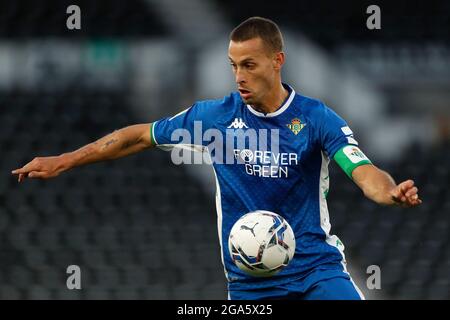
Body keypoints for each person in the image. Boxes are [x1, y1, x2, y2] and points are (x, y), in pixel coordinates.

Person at [12, 17, 421, 300]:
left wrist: (389, 192)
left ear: (277, 62)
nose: (239, 76)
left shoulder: (315, 118)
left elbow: (361, 169)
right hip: (251, 280)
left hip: (317, 270)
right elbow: (137, 137)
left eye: (249, 65)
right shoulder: (214, 117)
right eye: (233, 66)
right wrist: (66, 158)